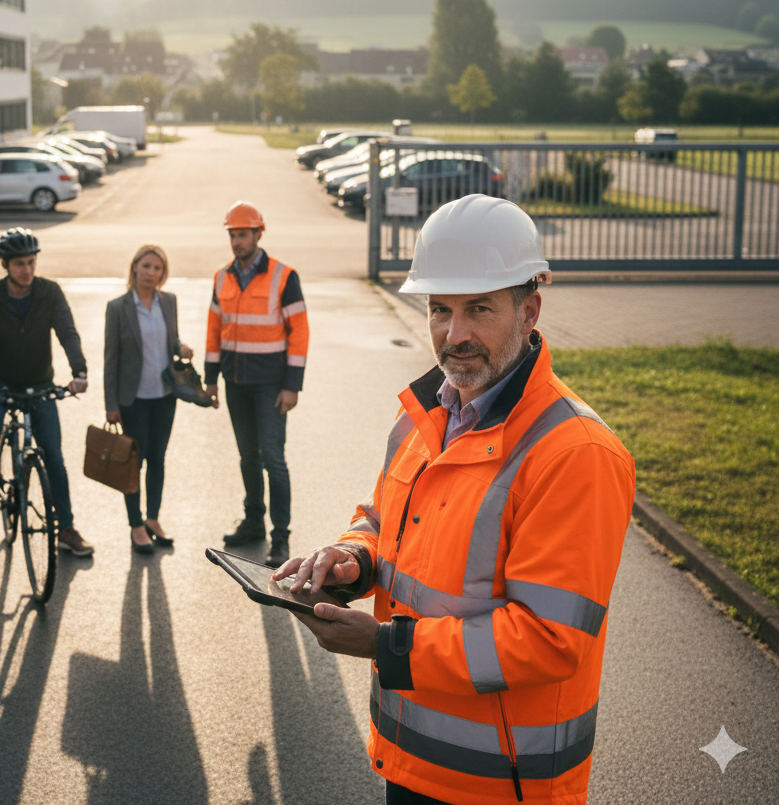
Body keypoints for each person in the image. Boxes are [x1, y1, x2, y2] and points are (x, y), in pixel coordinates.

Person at [275, 194, 636, 805]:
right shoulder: (426, 413)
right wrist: (353, 558)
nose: (455, 334)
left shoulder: (575, 453)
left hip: (503, 784)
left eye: (480, 309)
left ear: (530, 312)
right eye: (440, 309)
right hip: (409, 760)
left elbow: (548, 637)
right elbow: (384, 518)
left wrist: (382, 643)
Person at [0, 227, 93, 557]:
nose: (28, 270)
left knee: (55, 457)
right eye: (20, 263)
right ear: (5, 265)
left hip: (40, 384)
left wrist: (79, 372)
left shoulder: (49, 292)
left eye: (32, 262)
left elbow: (67, 333)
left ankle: (65, 529)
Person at [205, 201, 310, 568]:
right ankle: (253, 522)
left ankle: (280, 537)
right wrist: (210, 379)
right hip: (236, 383)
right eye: (233, 235)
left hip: (271, 386)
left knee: (274, 460)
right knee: (247, 457)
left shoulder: (283, 276)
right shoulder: (222, 277)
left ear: (258, 234)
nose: (237, 241)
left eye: (243, 234)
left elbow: (299, 334)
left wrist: (291, 385)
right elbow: (214, 329)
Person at [104, 244, 194, 554]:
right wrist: (111, 405)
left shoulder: (168, 301)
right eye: (146, 266)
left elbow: (171, 340)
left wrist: (180, 348)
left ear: (162, 273)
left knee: (158, 458)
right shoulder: (118, 307)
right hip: (133, 399)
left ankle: (153, 519)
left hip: (164, 396)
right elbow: (110, 358)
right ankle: (136, 524)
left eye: (157, 268)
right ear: (134, 268)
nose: (151, 273)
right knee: (134, 463)